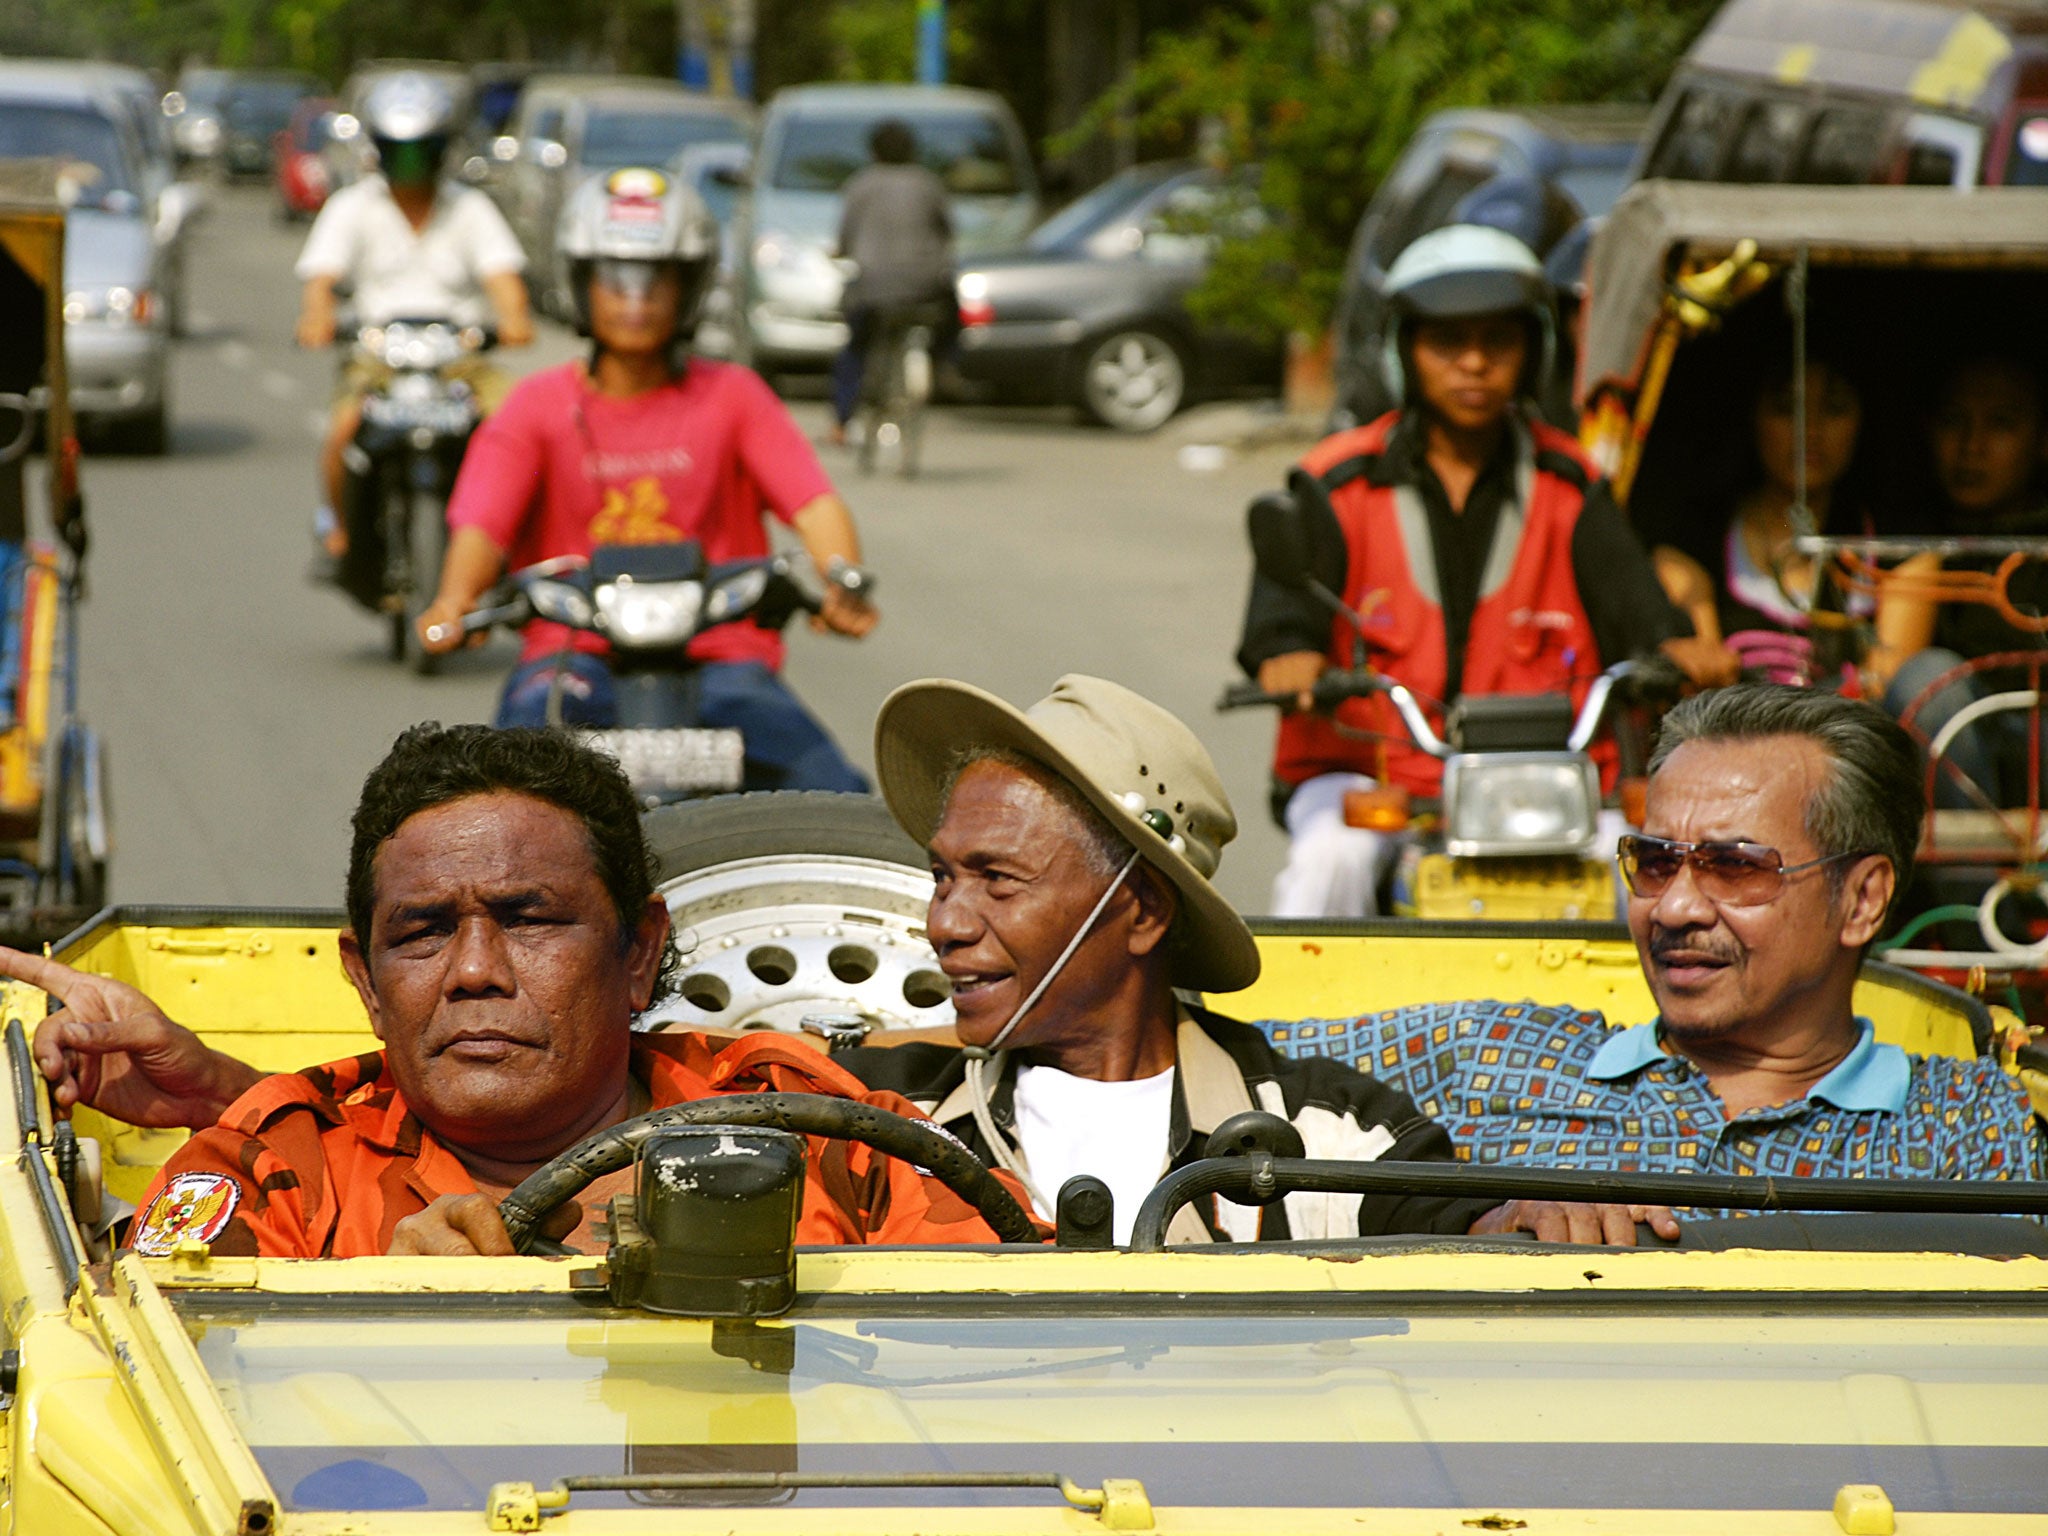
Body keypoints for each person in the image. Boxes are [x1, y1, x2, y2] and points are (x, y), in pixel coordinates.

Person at [7, 725, 1016, 1257]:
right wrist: (367, 1328)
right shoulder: (274, 1164)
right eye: (423, 931)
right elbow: (150, 1405)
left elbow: (1034, 1334)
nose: (475, 970)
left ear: (637, 951)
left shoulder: (810, 1126)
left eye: (529, 918)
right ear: (363, 980)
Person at [839, 674, 1670, 1246]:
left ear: (1142, 910)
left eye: (996, 882)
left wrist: (1532, 1218)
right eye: (943, 876)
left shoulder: (1332, 1131)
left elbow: (1455, 1228)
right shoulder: (878, 1116)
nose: (943, 922)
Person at [1255, 685, 2046, 1199]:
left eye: (1734, 867)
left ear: (1863, 899)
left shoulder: (1968, 1125)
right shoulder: (1488, 1054)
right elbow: (1213, 1060)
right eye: (1655, 861)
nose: (1674, 907)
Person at [1236, 223, 1732, 918]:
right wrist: (1289, 655)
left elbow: (1636, 604)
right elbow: (1281, 613)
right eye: (1447, 342)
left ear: (1533, 353)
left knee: (1646, 878)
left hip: (1544, 783)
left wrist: (1676, 644)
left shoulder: (1570, 483)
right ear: (1403, 350)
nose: (1473, 363)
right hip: (1374, 774)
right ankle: (1294, 1030)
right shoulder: (1336, 479)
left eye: (1497, 342)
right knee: (1329, 864)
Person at [415, 169, 876, 792]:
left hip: (723, 660)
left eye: (656, 278)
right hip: (571, 655)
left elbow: (814, 503)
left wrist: (840, 576)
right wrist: (455, 598)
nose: (636, 299)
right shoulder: (535, 406)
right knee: (505, 800)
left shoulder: (734, 396)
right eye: (616, 278)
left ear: (688, 287)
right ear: (582, 283)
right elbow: (482, 525)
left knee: (839, 803)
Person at [294, 72, 533, 592]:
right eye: (398, 151)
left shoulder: (470, 208)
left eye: (419, 151)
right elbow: (320, 281)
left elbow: (505, 283)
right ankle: (337, 530)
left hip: (460, 361)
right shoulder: (352, 206)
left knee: (516, 430)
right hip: (378, 360)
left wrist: (513, 319)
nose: (409, 165)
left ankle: (518, 539)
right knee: (340, 436)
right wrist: (317, 318)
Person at [1649, 353, 1935, 693]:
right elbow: (1707, 687)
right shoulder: (1693, 542)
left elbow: (1888, 687)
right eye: (1788, 408)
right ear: (1751, 414)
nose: (1810, 430)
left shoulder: (1901, 544)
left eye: (1834, 408)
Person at [1881, 353, 2048, 806]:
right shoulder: (1913, 535)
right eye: (1955, 421)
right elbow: (1890, 670)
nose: (1972, 446)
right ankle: (1980, 882)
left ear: (2041, 440)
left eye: (2001, 425)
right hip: (1958, 750)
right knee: (1926, 679)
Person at [829, 118, 953, 446]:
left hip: (872, 289)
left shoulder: (861, 184)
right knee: (952, 316)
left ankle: (842, 421)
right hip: (924, 288)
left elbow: (844, 239)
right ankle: (947, 367)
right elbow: (947, 232)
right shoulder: (928, 184)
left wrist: (839, 253)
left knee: (855, 346)